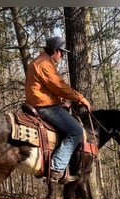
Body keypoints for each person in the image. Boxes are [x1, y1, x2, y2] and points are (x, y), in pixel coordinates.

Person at [25, 36, 92, 184]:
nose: (62, 56)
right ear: (55, 50)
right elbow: (59, 86)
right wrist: (80, 98)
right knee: (76, 131)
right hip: (45, 106)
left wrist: (61, 101)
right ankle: (56, 167)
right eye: (62, 52)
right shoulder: (44, 64)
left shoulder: (39, 62)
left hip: (41, 102)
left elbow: (47, 88)